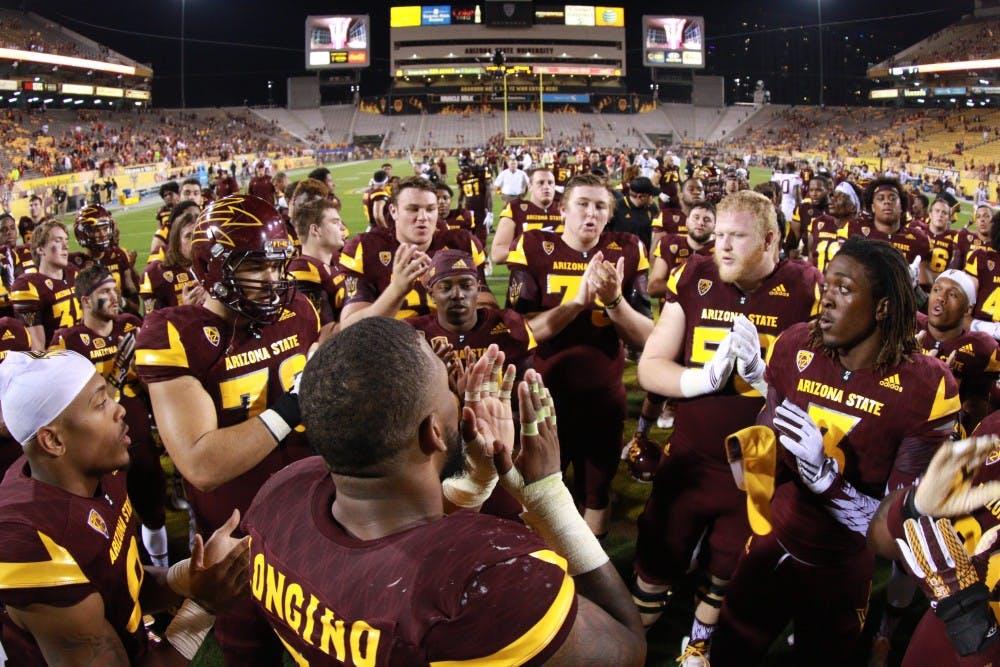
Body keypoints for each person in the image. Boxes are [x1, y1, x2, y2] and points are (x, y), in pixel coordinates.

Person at [242, 319, 647, 665]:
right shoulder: (483, 582)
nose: (458, 399)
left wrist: (471, 485)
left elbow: (395, 539)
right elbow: (627, 648)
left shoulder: (281, 494)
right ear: (434, 432)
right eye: (447, 393)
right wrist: (549, 500)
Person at [712, 237, 961, 666]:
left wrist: (825, 478)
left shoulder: (928, 386)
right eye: (827, 286)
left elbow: (897, 533)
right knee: (731, 650)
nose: (826, 300)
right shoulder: (796, 344)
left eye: (844, 289)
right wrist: (755, 456)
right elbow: (765, 433)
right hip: (773, 538)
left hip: (841, 565)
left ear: (883, 307)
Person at [633, 190, 822, 665]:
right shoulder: (695, 273)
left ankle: (699, 637)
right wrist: (700, 379)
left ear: (770, 239)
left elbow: (820, 383)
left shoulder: (807, 287)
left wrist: (767, 385)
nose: (723, 246)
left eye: (737, 236)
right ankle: (637, 632)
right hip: (691, 456)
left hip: (759, 466)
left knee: (730, 567)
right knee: (656, 560)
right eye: (719, 235)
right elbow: (650, 366)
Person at [135, 193, 320, 664]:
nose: (274, 280)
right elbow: (203, 462)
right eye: (256, 266)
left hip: (314, 520)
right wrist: (296, 402)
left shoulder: (299, 314)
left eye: (278, 265)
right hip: (238, 537)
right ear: (213, 267)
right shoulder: (173, 334)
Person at [0, 350, 250, 665]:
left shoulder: (92, 472)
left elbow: (115, 584)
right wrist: (203, 609)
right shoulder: (29, 541)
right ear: (52, 441)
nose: (119, 409)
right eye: (100, 403)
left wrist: (189, 577)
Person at [507, 173, 653, 537]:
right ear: (563, 209)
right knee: (535, 494)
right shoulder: (535, 245)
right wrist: (574, 303)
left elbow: (647, 337)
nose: (591, 213)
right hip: (543, 397)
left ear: (609, 214)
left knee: (597, 495)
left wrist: (615, 302)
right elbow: (521, 332)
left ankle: (590, 578)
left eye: (600, 206)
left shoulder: (628, 248)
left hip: (602, 397)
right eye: (582, 204)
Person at [339, 176, 494, 325]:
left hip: (451, 343)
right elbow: (350, 327)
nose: (422, 217)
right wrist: (396, 290)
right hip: (390, 344)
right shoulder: (366, 248)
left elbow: (488, 309)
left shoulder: (462, 244)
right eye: (413, 209)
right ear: (394, 211)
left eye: (430, 209)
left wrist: (450, 298)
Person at [11, 220, 80, 351]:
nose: (66, 246)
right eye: (58, 241)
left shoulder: (74, 272)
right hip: (55, 361)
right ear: (41, 249)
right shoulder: (28, 286)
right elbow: (38, 349)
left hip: (84, 352)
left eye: (66, 240)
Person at [69, 205, 141, 316]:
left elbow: (135, 305)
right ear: (82, 233)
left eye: (104, 228)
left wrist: (121, 302)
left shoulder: (118, 255)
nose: (102, 234)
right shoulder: (73, 262)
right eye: (96, 230)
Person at [288, 197, 348, 327]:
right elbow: (323, 334)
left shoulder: (338, 258)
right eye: (335, 222)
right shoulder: (303, 270)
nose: (343, 227)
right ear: (315, 230)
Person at [491, 166, 562, 265]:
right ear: (530, 187)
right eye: (540, 183)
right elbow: (497, 254)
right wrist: (532, 252)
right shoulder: (515, 208)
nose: (546, 187)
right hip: (526, 277)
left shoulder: (566, 210)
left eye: (550, 183)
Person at [140, 208, 206, 312]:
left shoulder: (215, 267)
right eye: (189, 236)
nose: (195, 241)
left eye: (199, 234)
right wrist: (184, 311)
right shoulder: (157, 274)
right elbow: (153, 324)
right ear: (177, 241)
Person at [607, 176, 661, 252]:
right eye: (650, 195)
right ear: (640, 197)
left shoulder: (652, 208)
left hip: (642, 258)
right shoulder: (616, 208)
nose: (653, 198)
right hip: (619, 256)